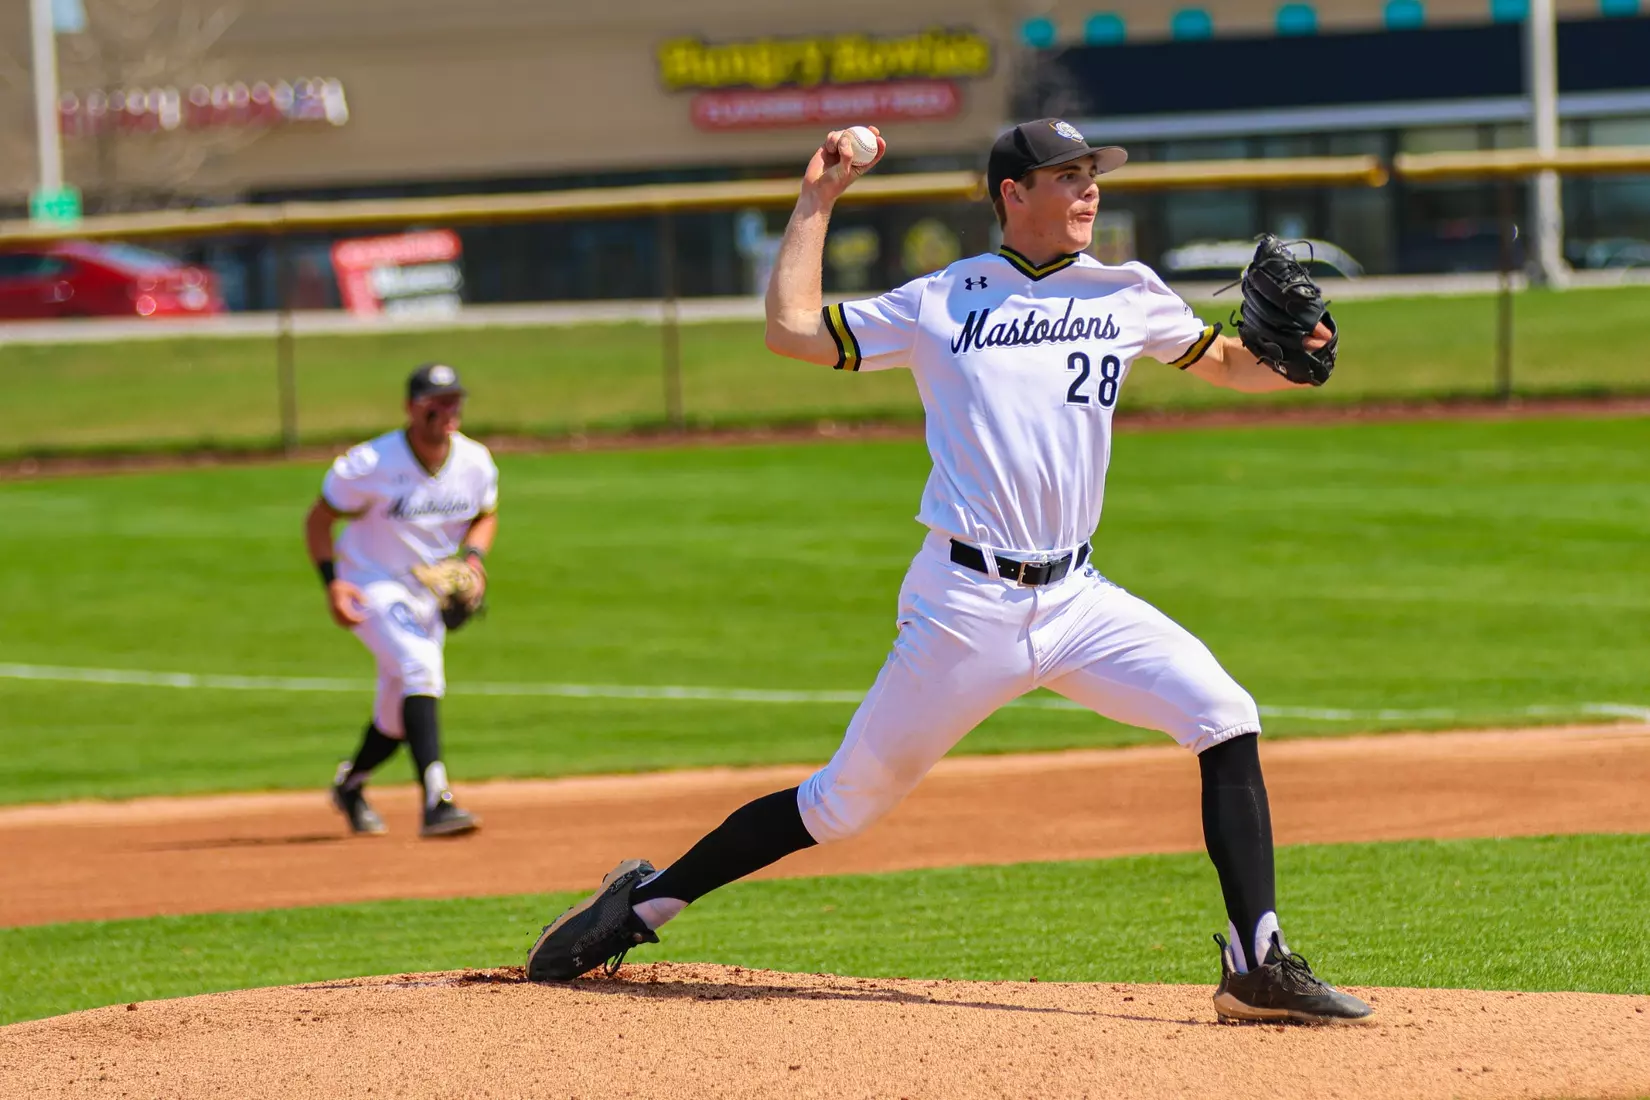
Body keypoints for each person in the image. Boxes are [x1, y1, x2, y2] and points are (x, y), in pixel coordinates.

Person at [526, 120, 1371, 1023]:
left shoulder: (1130, 291)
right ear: (1013, 192)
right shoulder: (944, 299)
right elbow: (793, 332)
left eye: (1094, 174)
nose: (1090, 190)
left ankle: (1258, 961)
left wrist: (1307, 351)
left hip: (1080, 600)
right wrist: (817, 201)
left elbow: (1237, 365)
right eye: (1068, 175)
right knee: (842, 804)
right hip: (965, 605)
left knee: (1224, 714)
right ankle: (643, 905)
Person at [304, 362, 498, 838]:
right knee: (419, 667)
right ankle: (437, 799)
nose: (449, 410)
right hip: (370, 582)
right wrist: (333, 582)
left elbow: (486, 516)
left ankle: (350, 785)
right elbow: (318, 521)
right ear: (412, 408)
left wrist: (472, 560)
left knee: (396, 714)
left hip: (427, 592)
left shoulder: (475, 462)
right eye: (438, 402)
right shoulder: (369, 464)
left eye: (455, 400)